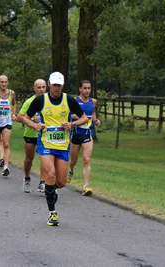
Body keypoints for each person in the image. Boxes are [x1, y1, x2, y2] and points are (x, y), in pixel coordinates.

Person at [22, 71, 88, 226]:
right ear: (49, 84)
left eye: (59, 85)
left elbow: (84, 118)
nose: (56, 88)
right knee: (50, 175)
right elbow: (24, 117)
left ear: (62, 85)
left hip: (63, 145)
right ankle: (52, 213)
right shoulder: (40, 100)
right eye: (54, 84)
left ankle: (50, 191)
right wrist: (35, 124)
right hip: (45, 144)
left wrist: (71, 124)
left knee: (61, 182)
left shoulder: (69, 100)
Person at [67, 80, 101, 196]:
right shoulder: (74, 101)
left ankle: (86, 185)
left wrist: (96, 120)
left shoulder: (93, 101)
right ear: (80, 89)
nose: (87, 90)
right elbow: (68, 115)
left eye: (89, 88)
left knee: (86, 159)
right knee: (73, 160)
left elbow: (92, 113)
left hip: (88, 134)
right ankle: (71, 171)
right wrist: (76, 117)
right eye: (85, 88)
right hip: (76, 133)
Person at [16, 79, 46, 193]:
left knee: (44, 159)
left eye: (43, 87)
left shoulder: (48, 101)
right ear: (34, 89)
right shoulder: (30, 102)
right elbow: (19, 117)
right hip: (30, 133)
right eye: (39, 87)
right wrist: (33, 119)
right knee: (29, 159)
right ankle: (27, 178)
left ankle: (42, 182)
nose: (41, 89)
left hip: (44, 134)